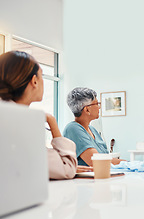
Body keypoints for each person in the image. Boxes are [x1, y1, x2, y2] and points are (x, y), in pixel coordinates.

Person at [0, 51, 91, 179]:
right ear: (34, 81)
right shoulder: (22, 120)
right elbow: (67, 169)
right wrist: (51, 121)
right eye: (41, 75)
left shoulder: (8, 115)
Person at [63, 87, 126, 166]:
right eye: (96, 104)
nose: (99, 107)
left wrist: (129, 163)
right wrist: (127, 164)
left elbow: (106, 158)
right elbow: (97, 161)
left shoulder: (92, 130)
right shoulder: (73, 129)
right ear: (87, 110)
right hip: (86, 178)